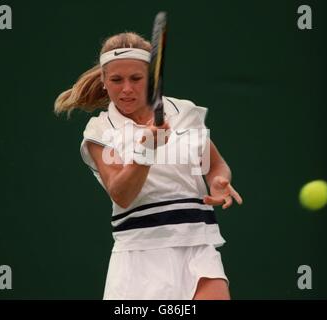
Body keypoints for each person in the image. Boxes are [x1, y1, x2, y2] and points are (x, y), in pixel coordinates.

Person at [54, 32, 243, 300]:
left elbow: (216, 166)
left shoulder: (184, 112)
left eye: (136, 78)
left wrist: (218, 181)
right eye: (116, 80)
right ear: (104, 82)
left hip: (198, 244)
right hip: (139, 258)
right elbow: (121, 193)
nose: (126, 88)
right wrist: (148, 148)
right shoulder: (99, 131)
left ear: (152, 79)